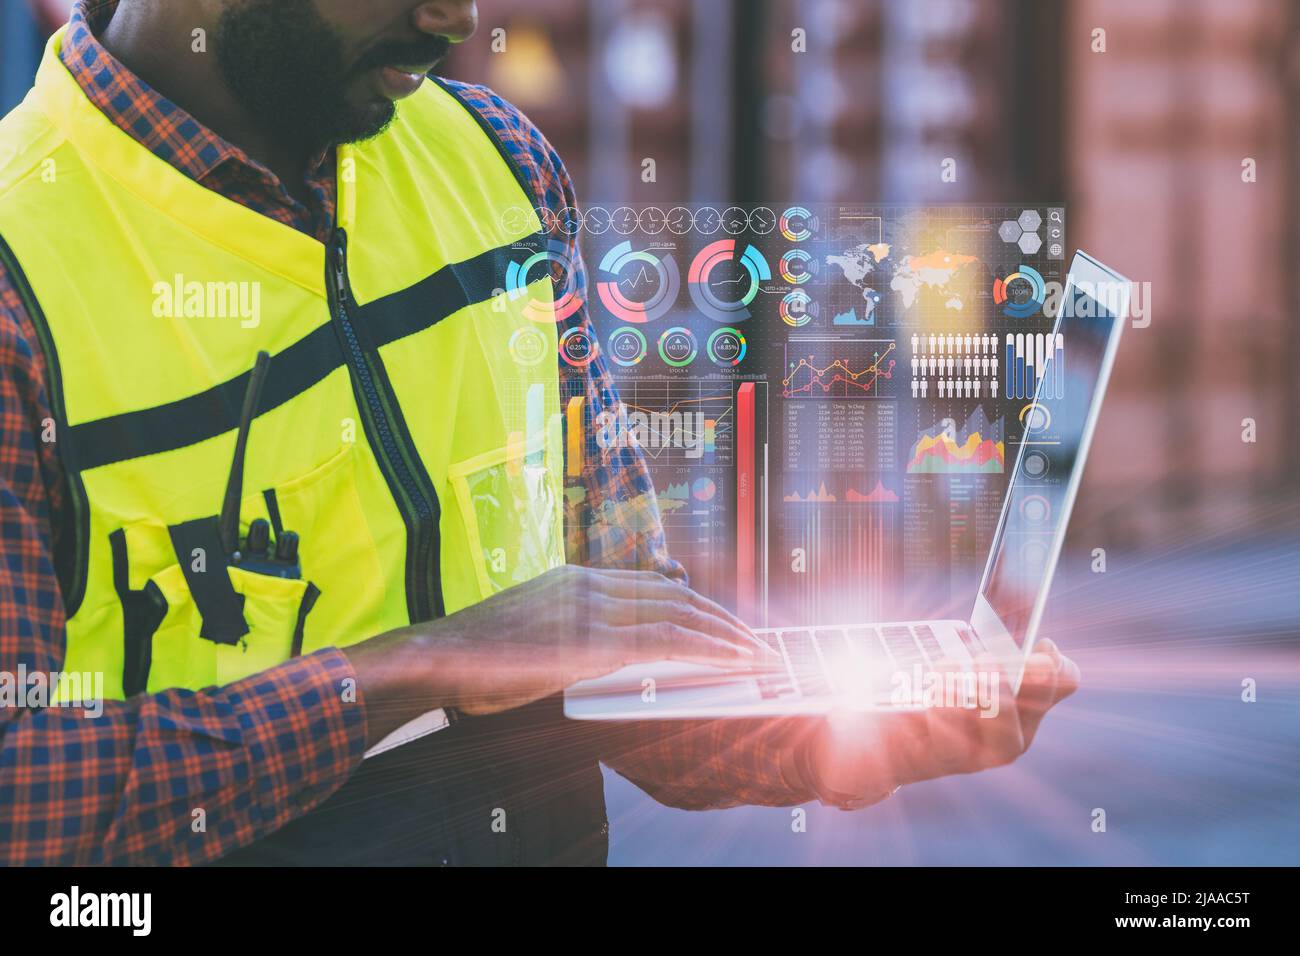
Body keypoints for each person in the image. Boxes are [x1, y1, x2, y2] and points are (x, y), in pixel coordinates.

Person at [0, 0, 1079, 866]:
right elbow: (25, 803)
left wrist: (857, 736)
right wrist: (415, 669)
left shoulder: (499, 164)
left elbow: (620, 653)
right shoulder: (19, 273)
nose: (452, 16)